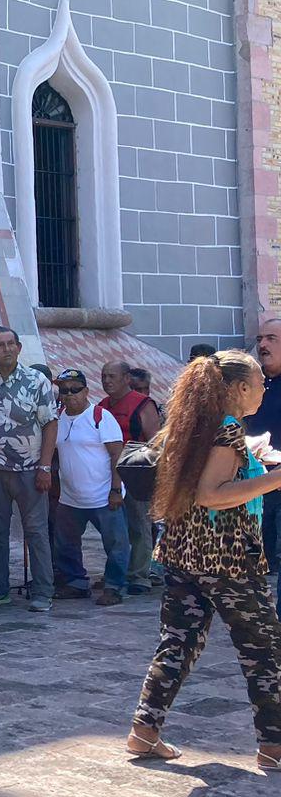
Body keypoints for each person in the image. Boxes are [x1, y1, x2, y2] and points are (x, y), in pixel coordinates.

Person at [127, 350, 281, 772]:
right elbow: (212, 494)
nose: (264, 387)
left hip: (182, 552)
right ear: (237, 389)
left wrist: (252, 461)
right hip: (226, 558)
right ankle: (274, 746)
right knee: (265, 650)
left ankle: (144, 731)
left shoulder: (193, 423)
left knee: (178, 642)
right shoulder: (227, 429)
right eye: (258, 381)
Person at [0, 327, 58, 612]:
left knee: (35, 531)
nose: (7, 349)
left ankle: (44, 591)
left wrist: (45, 466)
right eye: (0, 345)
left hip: (29, 470)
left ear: (19, 348)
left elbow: (49, 423)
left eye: (11, 344)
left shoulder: (37, 382)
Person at [49, 370, 131, 607]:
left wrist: (116, 489)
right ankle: (76, 583)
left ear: (86, 391)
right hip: (70, 497)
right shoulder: (59, 418)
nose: (69, 395)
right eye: (64, 390)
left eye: (75, 389)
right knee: (65, 544)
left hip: (103, 496)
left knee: (116, 544)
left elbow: (117, 454)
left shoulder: (100, 417)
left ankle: (114, 587)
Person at [100, 361, 162, 595]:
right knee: (115, 528)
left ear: (127, 378)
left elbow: (156, 441)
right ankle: (118, 571)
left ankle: (139, 576)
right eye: (104, 376)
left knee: (139, 526)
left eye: (112, 376)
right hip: (108, 475)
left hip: (136, 475)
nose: (107, 381)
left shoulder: (143, 405)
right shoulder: (103, 406)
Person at [244, 318, 281, 611]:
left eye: (271, 338)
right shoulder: (252, 384)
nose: (263, 345)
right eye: (260, 339)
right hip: (251, 481)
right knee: (256, 550)